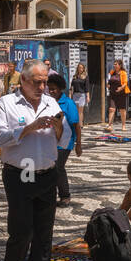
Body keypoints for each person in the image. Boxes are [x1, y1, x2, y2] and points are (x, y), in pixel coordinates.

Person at [0, 60, 62, 261]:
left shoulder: (51, 103)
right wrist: (27, 128)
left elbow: (63, 141)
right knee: (21, 234)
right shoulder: (6, 104)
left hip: (46, 173)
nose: (43, 87)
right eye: (37, 82)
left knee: (44, 236)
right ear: (23, 81)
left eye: (45, 82)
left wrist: (59, 127)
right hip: (21, 174)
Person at [48, 72, 81, 205]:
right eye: (49, 88)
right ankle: (50, 195)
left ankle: (65, 196)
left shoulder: (68, 103)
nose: (51, 91)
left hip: (66, 142)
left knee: (58, 167)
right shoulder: (48, 102)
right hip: (51, 141)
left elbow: (76, 125)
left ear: (61, 88)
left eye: (54, 88)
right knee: (50, 168)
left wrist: (79, 144)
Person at [106, 59, 129, 133]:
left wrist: (121, 88)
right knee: (111, 109)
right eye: (114, 64)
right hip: (113, 93)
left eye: (116, 64)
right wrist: (108, 85)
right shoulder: (112, 72)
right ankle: (110, 125)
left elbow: (125, 83)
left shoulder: (123, 73)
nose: (114, 65)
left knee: (122, 110)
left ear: (120, 65)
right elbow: (109, 81)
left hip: (121, 94)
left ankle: (123, 125)